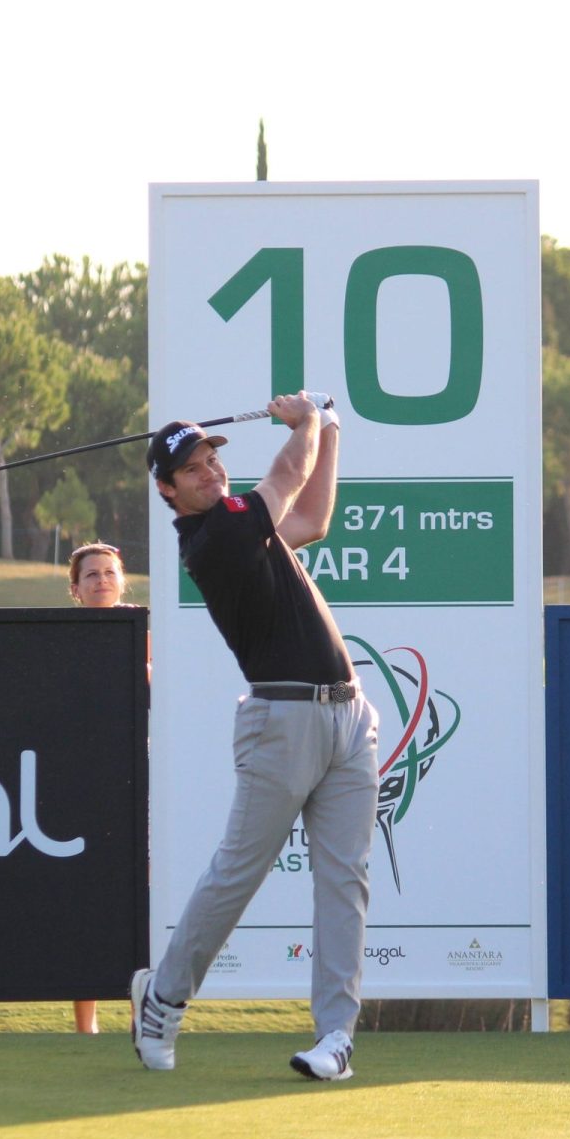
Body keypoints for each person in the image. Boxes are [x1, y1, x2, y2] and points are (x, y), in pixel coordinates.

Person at [131, 392, 379, 1081]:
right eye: (194, 468)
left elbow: (314, 518)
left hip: (349, 717)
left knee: (344, 880)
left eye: (213, 459)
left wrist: (329, 429)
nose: (211, 472)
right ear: (168, 490)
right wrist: (303, 425)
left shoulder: (248, 525)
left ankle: (336, 1036)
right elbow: (284, 484)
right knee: (239, 874)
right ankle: (164, 997)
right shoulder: (215, 538)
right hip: (282, 723)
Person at [62, 541, 143, 1037]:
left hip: (139, 779)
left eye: (109, 572)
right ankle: (85, 1025)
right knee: (87, 903)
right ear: (75, 589)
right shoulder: (65, 635)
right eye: (90, 575)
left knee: (141, 910)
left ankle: (142, 1017)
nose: (100, 581)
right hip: (84, 782)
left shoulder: (142, 627)